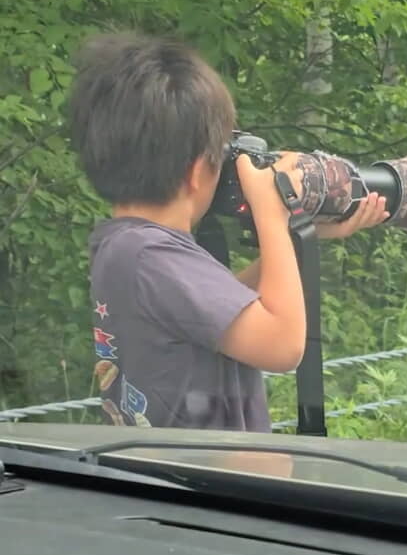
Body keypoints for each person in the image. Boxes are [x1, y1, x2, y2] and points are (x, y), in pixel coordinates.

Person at [69, 31, 388, 431]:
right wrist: (271, 210)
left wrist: (294, 235)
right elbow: (283, 346)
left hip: (174, 478)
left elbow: (219, 311)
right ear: (197, 171)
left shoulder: (126, 246)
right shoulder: (148, 253)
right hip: (210, 486)